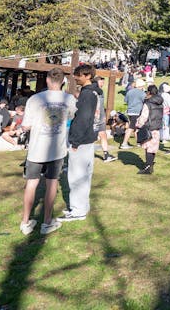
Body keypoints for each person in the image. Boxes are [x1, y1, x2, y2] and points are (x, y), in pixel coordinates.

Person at [19, 68, 76, 235]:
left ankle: (25, 221)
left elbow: (26, 125)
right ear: (63, 81)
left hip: (37, 148)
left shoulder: (35, 99)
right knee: (52, 183)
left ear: (47, 80)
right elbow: (71, 116)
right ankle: (47, 221)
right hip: (56, 148)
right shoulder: (69, 99)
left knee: (31, 183)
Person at [63, 65, 98, 222]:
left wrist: (75, 141)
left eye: (77, 75)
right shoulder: (92, 92)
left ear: (87, 76)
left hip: (82, 141)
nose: (75, 78)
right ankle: (82, 206)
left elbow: (83, 118)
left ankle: (77, 210)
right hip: (88, 139)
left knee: (77, 176)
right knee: (84, 175)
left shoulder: (87, 94)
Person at [136, 85, 164, 175]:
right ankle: (150, 165)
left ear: (149, 92)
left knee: (148, 147)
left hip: (149, 127)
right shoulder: (160, 103)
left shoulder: (147, 104)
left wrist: (138, 125)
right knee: (153, 148)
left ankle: (148, 167)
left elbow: (144, 116)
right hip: (157, 127)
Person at [92, 76, 117, 163]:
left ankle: (106, 154)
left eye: (103, 82)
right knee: (91, 137)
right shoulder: (92, 92)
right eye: (101, 82)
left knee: (103, 134)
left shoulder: (101, 92)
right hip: (93, 118)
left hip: (101, 118)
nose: (103, 84)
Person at [120, 78, 146, 149]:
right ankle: (124, 143)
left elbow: (126, 100)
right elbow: (145, 102)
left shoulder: (129, 92)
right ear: (141, 86)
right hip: (137, 112)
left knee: (135, 127)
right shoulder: (142, 93)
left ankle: (139, 142)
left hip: (130, 111)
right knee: (131, 128)